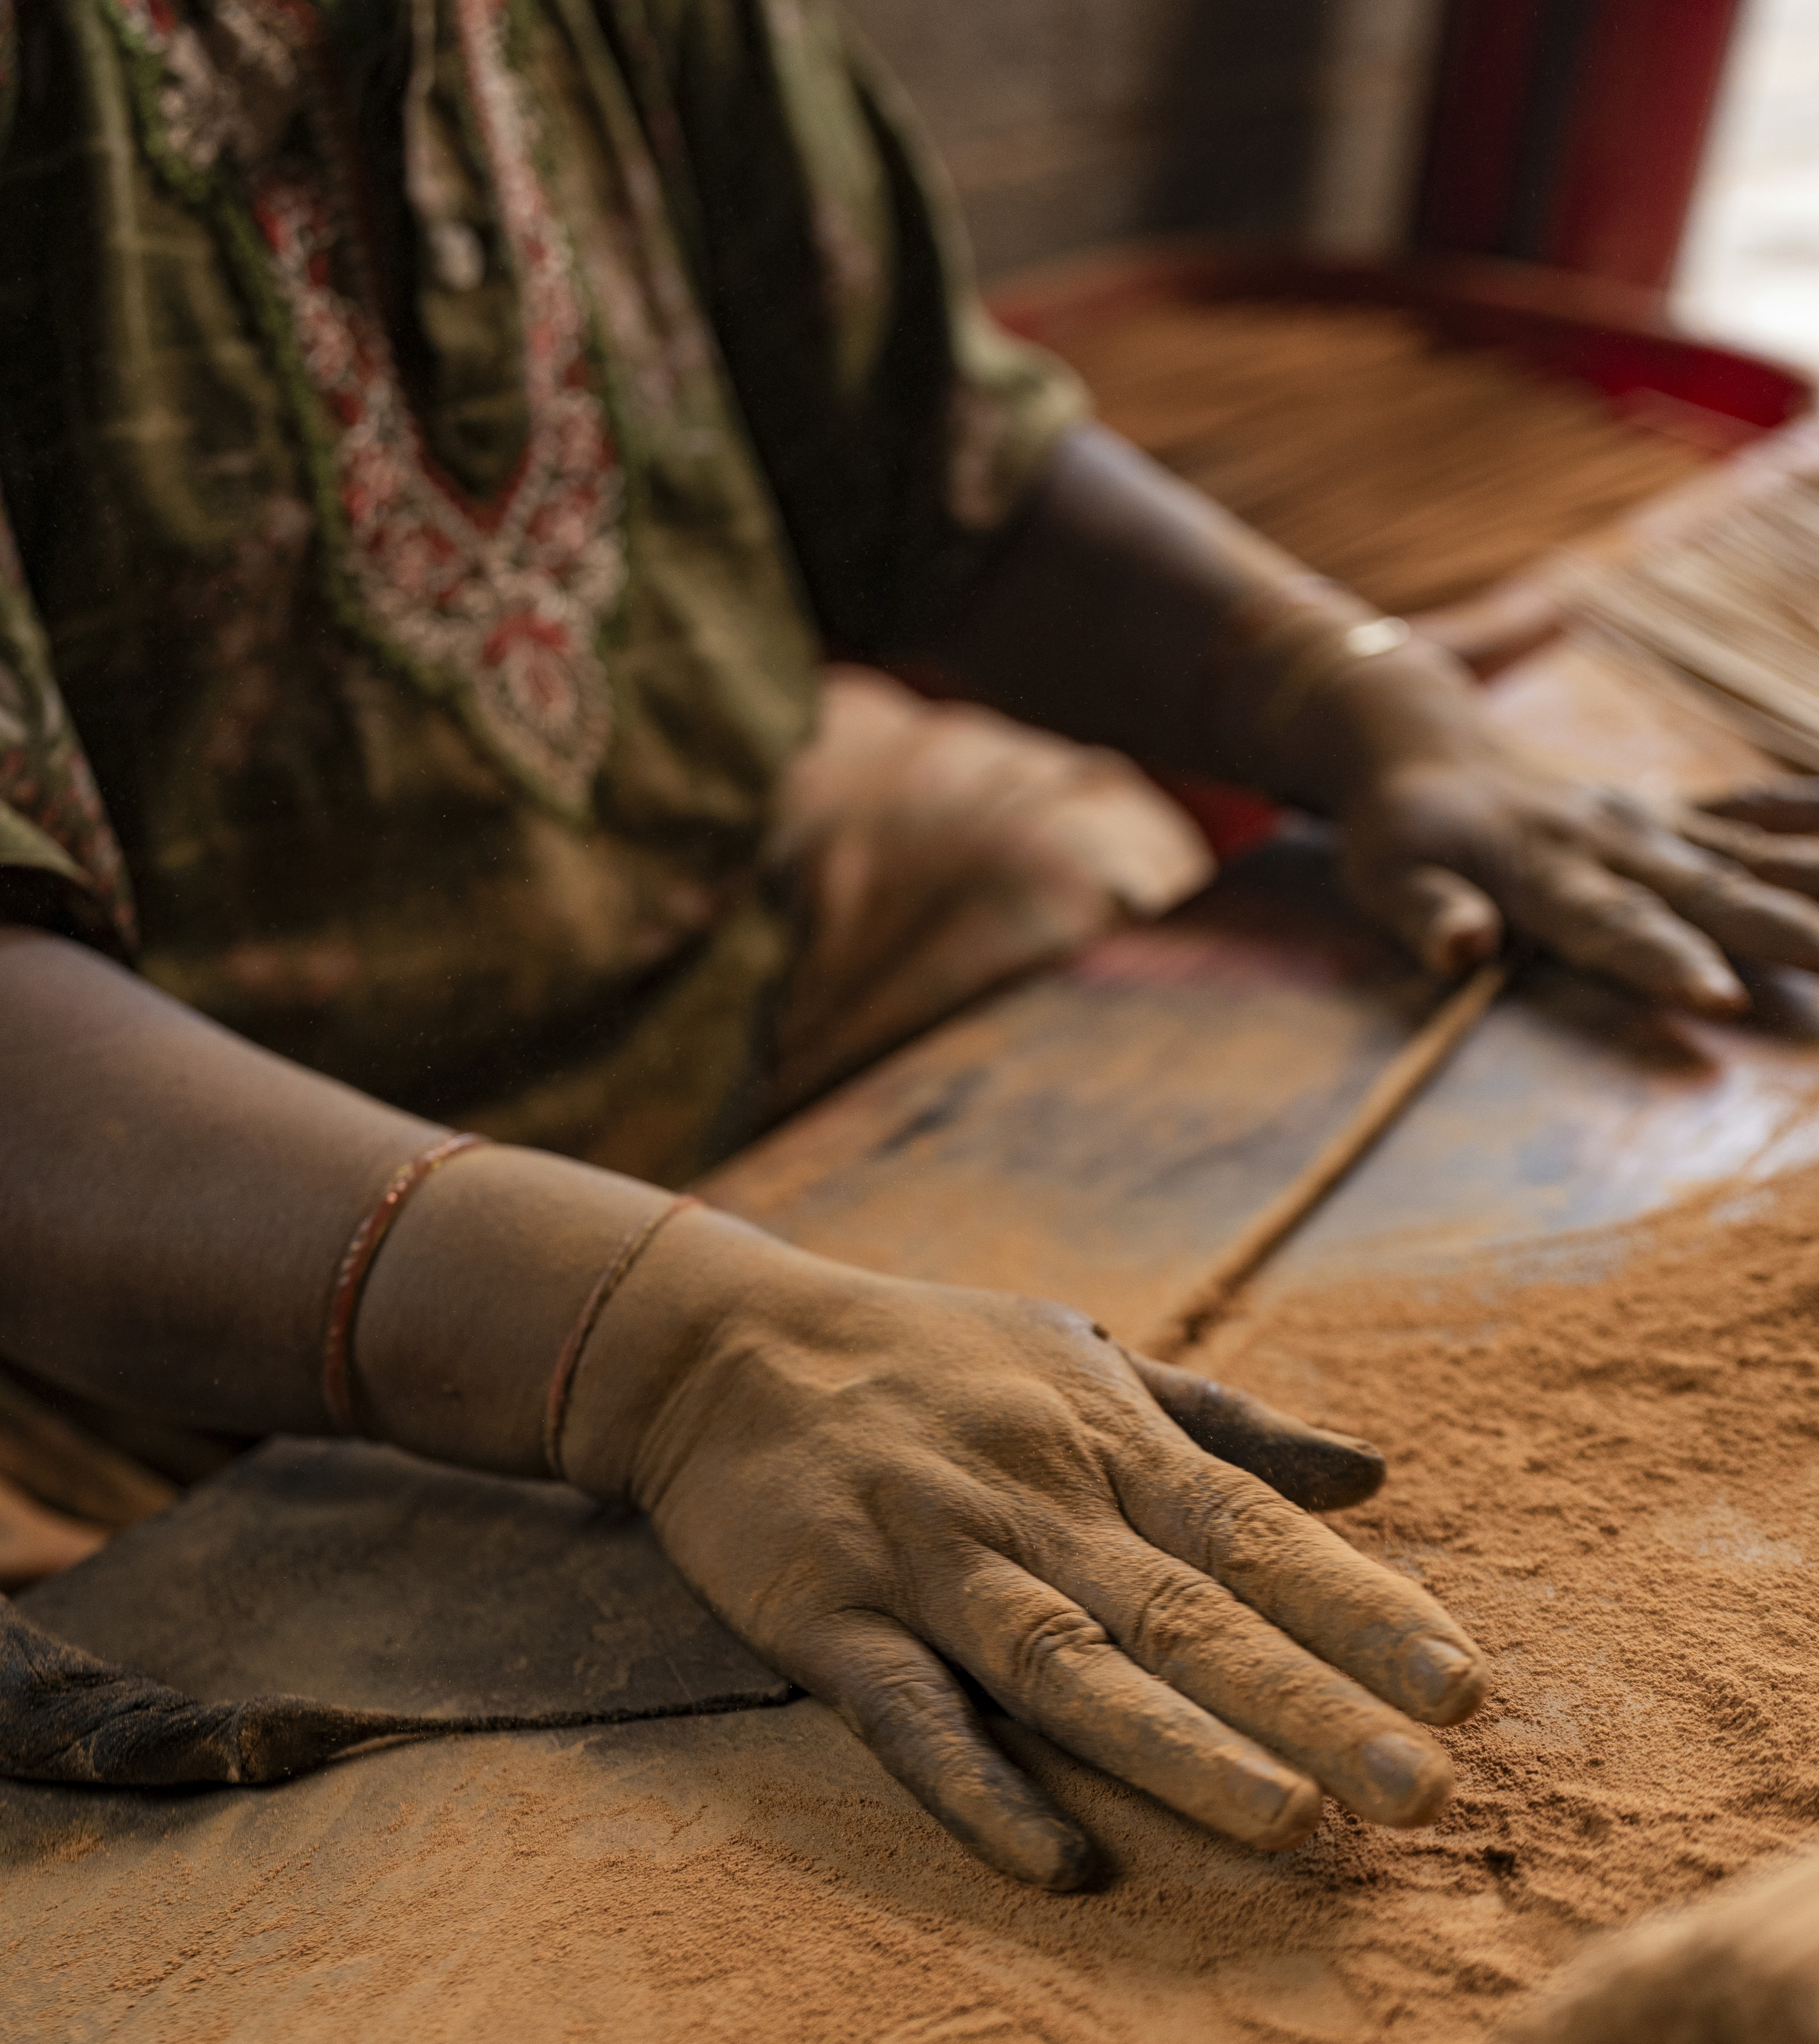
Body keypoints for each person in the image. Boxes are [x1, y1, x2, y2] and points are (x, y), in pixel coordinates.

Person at [6, 0, 1819, 1889]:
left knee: (1044, 852)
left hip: (715, 943)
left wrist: (1377, 712)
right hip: (114, 1256)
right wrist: (667, 1346)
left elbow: (928, 458)